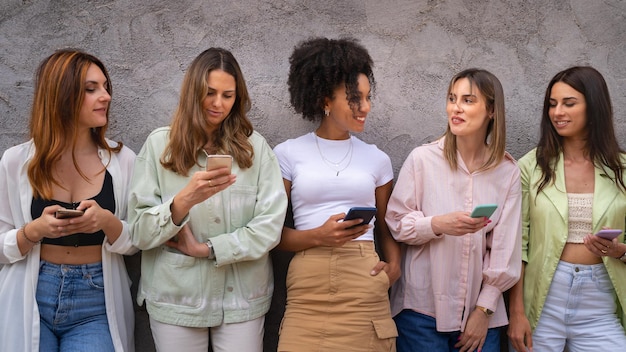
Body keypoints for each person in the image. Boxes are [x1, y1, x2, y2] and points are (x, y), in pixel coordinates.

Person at [128, 47, 287, 352]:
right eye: (210, 92)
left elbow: (270, 226)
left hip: (241, 298)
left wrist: (209, 249)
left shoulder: (255, 149)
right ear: (192, 92)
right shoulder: (160, 146)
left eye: (228, 95)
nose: (218, 103)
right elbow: (138, 231)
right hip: (177, 298)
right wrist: (182, 201)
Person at [0, 49, 137, 351]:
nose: (106, 97)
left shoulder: (123, 160)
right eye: (91, 89)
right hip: (31, 293)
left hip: (97, 300)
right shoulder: (16, 161)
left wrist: (107, 221)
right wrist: (33, 232)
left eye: (105, 87)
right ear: (61, 95)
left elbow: (137, 240)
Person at [273, 37, 401, 352]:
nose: (365, 107)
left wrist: (394, 268)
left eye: (368, 97)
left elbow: (387, 229)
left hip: (363, 282)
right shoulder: (287, 154)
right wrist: (318, 236)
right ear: (325, 99)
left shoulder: (377, 159)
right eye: (355, 98)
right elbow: (271, 234)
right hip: (308, 287)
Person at [385, 68, 522, 352]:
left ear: (492, 111)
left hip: (482, 315)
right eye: (452, 98)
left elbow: (505, 251)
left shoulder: (507, 172)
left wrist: (483, 311)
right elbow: (396, 223)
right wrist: (437, 224)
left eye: (468, 100)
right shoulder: (422, 159)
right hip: (420, 311)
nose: (456, 108)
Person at [507, 66, 626, 352]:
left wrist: (619, 250)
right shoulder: (531, 167)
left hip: (601, 304)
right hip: (544, 300)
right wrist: (517, 313)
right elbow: (517, 245)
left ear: (594, 107)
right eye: (552, 104)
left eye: (569, 103)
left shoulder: (622, 169)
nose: (557, 112)